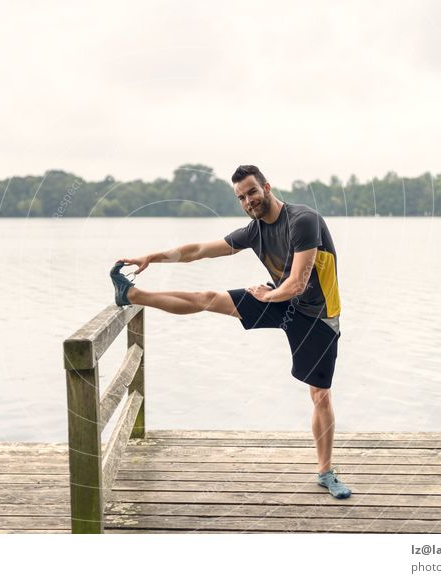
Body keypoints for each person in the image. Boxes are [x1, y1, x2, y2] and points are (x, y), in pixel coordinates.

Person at [110, 164, 351, 499]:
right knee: (208, 299)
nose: (248, 201)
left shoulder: (303, 220)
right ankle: (132, 294)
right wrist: (152, 256)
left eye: (252, 192)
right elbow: (197, 251)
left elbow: (298, 281)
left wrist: (268, 295)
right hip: (277, 296)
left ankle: (325, 472)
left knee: (320, 395)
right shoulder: (254, 232)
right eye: (241, 197)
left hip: (319, 315)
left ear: (267, 187)